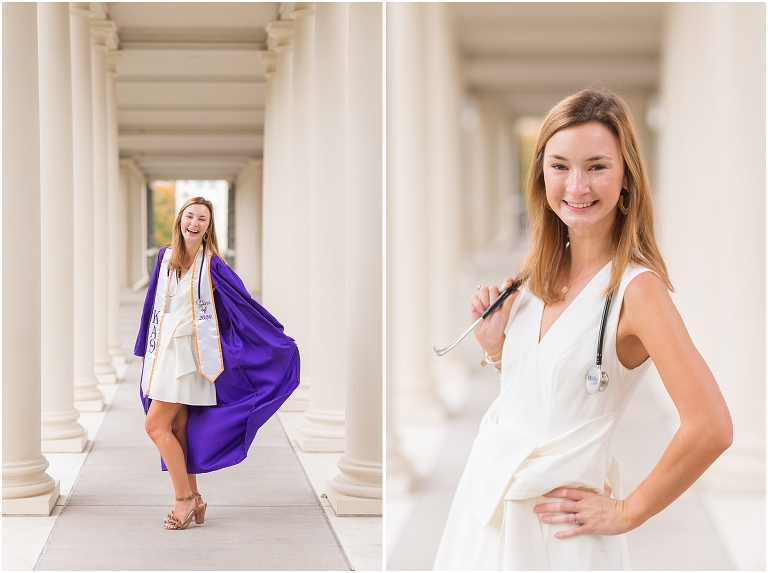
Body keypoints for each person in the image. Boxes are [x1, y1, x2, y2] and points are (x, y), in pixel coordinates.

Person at [433, 90, 732, 570]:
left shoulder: (639, 292)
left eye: (596, 166)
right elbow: (550, 400)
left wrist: (627, 510)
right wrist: (497, 352)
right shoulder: (533, 277)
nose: (576, 185)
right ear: (540, 175)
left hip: (559, 538)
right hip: (482, 519)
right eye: (559, 166)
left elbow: (711, 427)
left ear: (627, 178)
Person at [135, 196, 300, 530]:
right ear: (180, 219)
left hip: (191, 357)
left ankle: (182, 500)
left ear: (209, 229)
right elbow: (152, 304)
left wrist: (276, 338)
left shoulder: (212, 265)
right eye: (190, 216)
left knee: (155, 426)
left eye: (203, 220)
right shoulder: (165, 258)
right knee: (177, 427)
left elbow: (244, 305)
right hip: (163, 354)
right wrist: (144, 346)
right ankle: (194, 497)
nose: (194, 224)